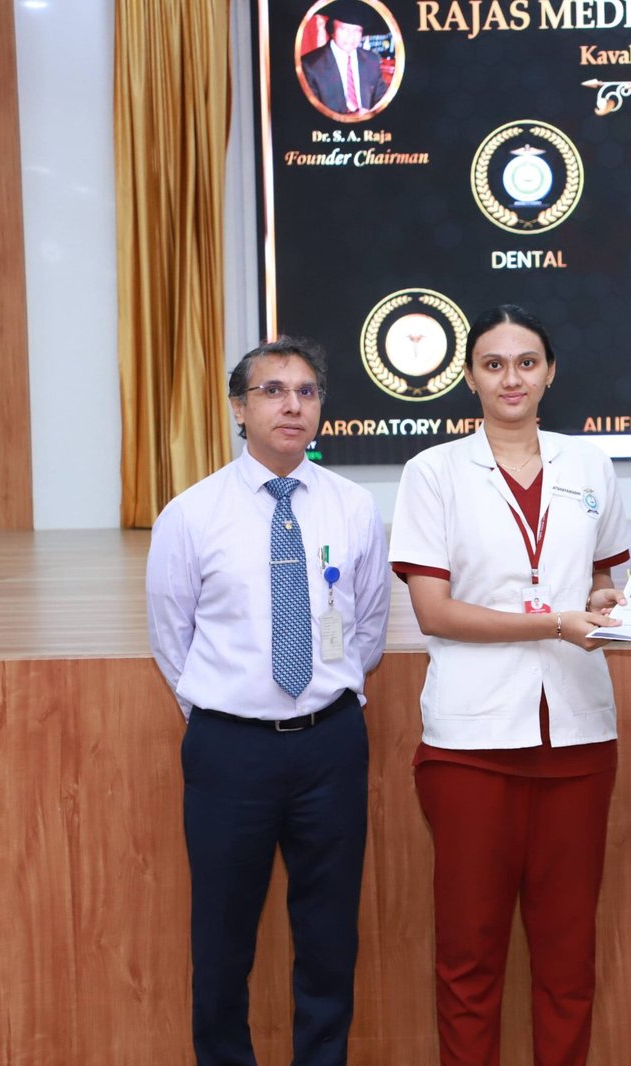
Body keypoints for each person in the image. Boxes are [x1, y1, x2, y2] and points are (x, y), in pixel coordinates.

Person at [388, 305, 630, 1066]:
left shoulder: (590, 466)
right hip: (472, 745)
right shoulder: (433, 472)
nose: (511, 378)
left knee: (568, 960)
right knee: (469, 958)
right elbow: (434, 611)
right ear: (470, 377)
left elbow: (603, 578)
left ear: (550, 372)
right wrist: (555, 622)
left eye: (526, 362)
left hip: (578, 739)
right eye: (493, 365)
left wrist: (603, 603)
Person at [145, 337, 390, 1066]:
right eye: (273, 391)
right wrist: (229, 710)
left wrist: (322, 700)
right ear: (238, 408)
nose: (292, 405)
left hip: (330, 746)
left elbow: (368, 628)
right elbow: (171, 637)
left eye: (307, 392)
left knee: (329, 937)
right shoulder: (191, 514)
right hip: (231, 750)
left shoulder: (354, 507)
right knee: (222, 941)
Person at [300, 0, 387, 116]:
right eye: (344, 29)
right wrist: (349, 118)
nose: (351, 37)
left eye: (357, 30)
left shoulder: (372, 60)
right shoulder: (310, 66)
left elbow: (382, 99)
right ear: (332, 30)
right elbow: (308, 114)